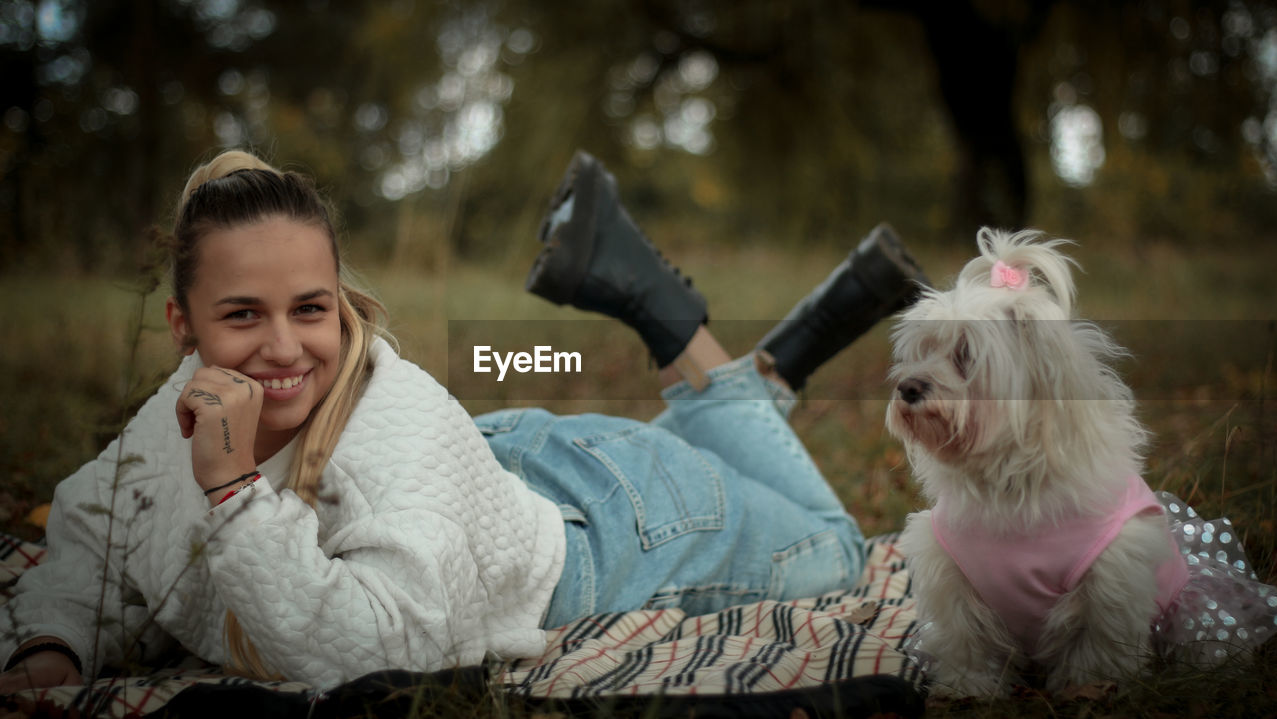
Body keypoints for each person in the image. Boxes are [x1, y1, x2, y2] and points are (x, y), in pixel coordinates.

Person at [0, 149, 928, 693]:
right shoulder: (177, 410)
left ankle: (666, 316)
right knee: (755, 481)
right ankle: (770, 365)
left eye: (311, 309)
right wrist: (48, 648)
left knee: (834, 551)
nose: (283, 347)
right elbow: (90, 536)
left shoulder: (387, 421)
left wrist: (237, 493)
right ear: (182, 327)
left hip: (623, 529)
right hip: (516, 471)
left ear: (338, 303)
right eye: (242, 314)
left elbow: (382, 650)